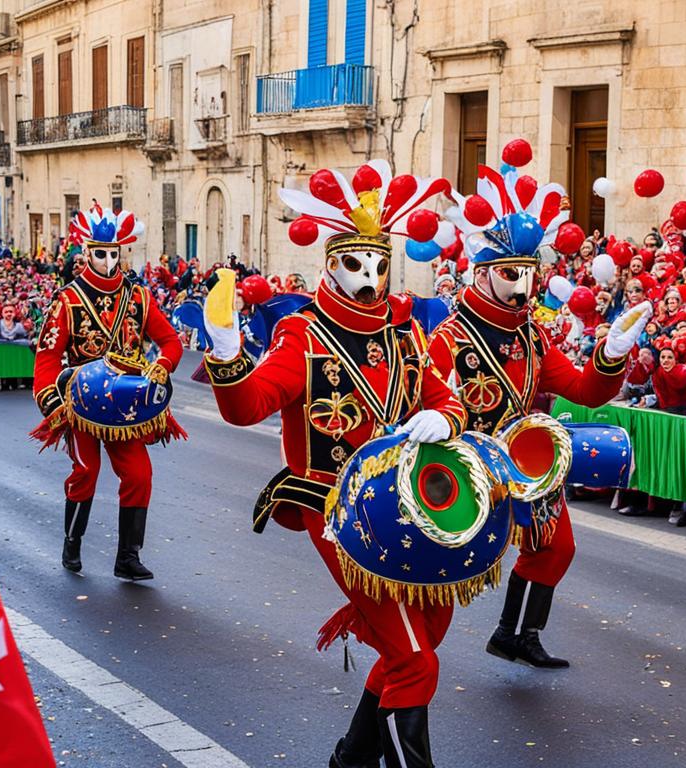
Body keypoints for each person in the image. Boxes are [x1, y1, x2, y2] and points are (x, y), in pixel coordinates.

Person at [202, 164, 465, 768]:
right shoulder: (301, 335)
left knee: (426, 634)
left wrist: (444, 420)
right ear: (330, 265)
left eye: (378, 264)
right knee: (415, 660)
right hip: (337, 511)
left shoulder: (403, 337)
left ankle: (351, 758)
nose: (369, 279)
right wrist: (223, 348)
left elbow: (442, 397)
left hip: (412, 506)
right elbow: (247, 406)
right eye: (356, 264)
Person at [426, 165, 650, 671]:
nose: (524, 286)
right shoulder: (449, 338)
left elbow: (581, 390)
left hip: (526, 464)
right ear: (481, 273)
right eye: (511, 273)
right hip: (468, 466)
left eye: (529, 273)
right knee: (445, 565)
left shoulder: (533, 336)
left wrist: (611, 350)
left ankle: (516, 634)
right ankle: (409, 655)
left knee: (557, 548)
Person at [32, 205, 184, 581]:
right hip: (82, 401)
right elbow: (47, 357)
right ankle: (72, 541)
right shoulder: (67, 301)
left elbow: (170, 341)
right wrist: (52, 403)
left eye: (113, 252)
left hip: (125, 403)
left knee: (139, 474)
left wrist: (162, 366)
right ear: (87, 252)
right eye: (100, 253)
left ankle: (127, 556)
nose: (107, 260)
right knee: (87, 470)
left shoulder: (139, 297)